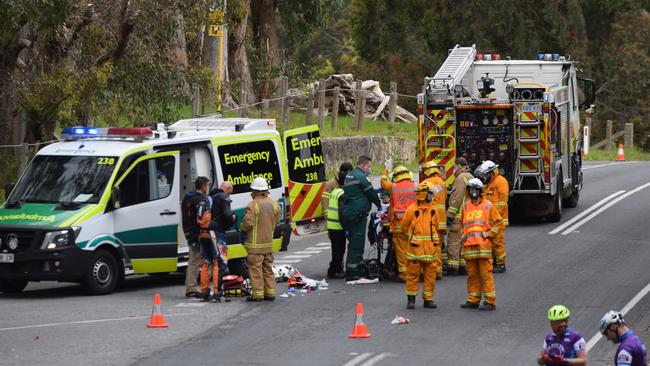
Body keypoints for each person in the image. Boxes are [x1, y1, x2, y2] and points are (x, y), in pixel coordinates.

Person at [459, 178, 502, 310]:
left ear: (480, 191)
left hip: (483, 248)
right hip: (469, 247)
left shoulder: (488, 205)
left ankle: (490, 301)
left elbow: (498, 222)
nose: (473, 192)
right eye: (471, 189)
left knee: (485, 275)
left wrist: (488, 234)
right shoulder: (465, 206)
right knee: (472, 275)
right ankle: (473, 300)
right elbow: (462, 224)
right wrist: (462, 235)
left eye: (475, 189)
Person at [400, 181, 440, 309]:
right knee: (412, 276)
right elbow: (403, 227)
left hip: (430, 251)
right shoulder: (411, 210)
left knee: (430, 277)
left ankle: (428, 300)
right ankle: (411, 300)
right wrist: (414, 239)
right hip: (415, 251)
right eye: (430, 193)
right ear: (425, 195)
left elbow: (437, 227)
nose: (432, 196)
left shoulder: (433, 209)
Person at [342, 156, 381, 281]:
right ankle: (353, 272)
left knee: (353, 242)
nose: (369, 169)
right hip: (357, 215)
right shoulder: (361, 177)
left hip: (349, 213)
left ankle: (353, 268)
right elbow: (371, 194)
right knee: (357, 243)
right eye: (369, 166)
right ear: (364, 166)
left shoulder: (351, 175)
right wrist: (380, 206)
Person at [241, 177, 280, 302]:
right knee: (268, 269)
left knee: (255, 270)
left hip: (255, 246)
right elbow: (277, 221)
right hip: (268, 244)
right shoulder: (274, 204)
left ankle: (257, 295)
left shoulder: (253, 205)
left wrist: (241, 228)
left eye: (252, 190)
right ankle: (270, 293)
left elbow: (248, 223)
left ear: (256, 191)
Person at [380, 164, 416, 282]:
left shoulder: (394, 187)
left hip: (400, 224)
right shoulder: (416, 186)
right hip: (415, 224)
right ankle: (417, 273)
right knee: (415, 249)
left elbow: (383, 183)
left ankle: (404, 275)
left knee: (401, 250)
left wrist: (385, 170)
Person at [476, 160, 509, 273]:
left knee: (497, 242)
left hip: (498, 220)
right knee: (490, 242)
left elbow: (502, 202)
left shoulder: (500, 181)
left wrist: (494, 217)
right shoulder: (489, 184)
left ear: (491, 172)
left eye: (486, 174)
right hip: (490, 220)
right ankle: (494, 262)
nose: (484, 177)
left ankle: (501, 265)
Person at [324, 163, 353, 279]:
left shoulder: (336, 190)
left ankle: (337, 269)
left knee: (337, 250)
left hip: (333, 226)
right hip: (337, 226)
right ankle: (333, 271)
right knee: (339, 251)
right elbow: (342, 213)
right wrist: (346, 228)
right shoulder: (342, 193)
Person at [182, 176, 209, 299]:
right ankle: (191, 288)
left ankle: (190, 285)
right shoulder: (199, 200)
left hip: (189, 232)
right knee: (195, 261)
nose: (207, 188)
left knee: (193, 260)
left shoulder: (188, 198)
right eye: (207, 186)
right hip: (196, 233)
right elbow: (201, 218)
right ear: (203, 186)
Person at [421, 161, 448, 280]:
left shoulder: (426, 183)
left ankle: (432, 271)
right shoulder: (442, 182)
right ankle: (438, 271)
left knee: (430, 246)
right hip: (441, 220)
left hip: (431, 219)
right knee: (438, 246)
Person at [446, 157, 473, 276]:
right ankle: (463, 266)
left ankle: (453, 267)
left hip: (459, 215)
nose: (454, 169)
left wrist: (450, 215)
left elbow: (456, 198)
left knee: (454, 241)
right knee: (463, 241)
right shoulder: (470, 176)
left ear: (459, 166)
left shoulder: (460, 178)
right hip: (468, 214)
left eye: (455, 166)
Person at [195, 182, 222, 302]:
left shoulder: (202, 202)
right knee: (216, 262)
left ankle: (204, 291)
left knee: (205, 263)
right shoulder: (212, 202)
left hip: (202, 233)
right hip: (212, 234)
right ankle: (216, 292)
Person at [209, 181, 237, 294]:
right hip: (219, 231)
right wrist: (233, 218)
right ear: (228, 189)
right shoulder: (224, 197)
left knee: (213, 259)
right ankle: (218, 289)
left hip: (210, 231)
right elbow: (227, 215)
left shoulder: (211, 196)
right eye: (231, 191)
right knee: (222, 260)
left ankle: (211, 288)